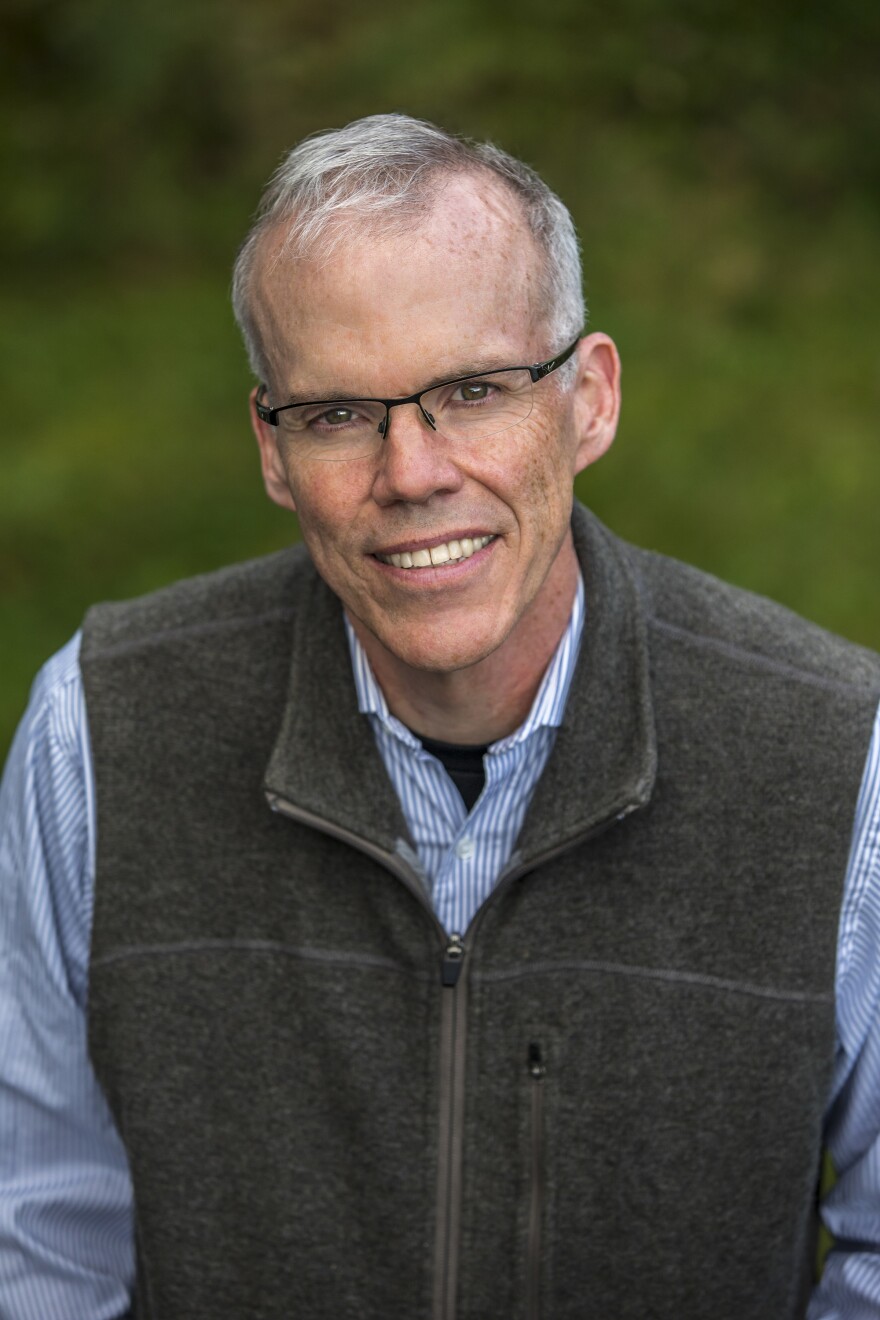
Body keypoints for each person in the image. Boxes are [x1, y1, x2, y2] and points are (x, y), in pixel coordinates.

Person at [1, 113, 879, 1320]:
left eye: (472, 390)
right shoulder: (96, 734)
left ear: (589, 399)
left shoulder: (831, 756)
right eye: (339, 413)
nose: (411, 471)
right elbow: (38, 1243)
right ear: (270, 448)